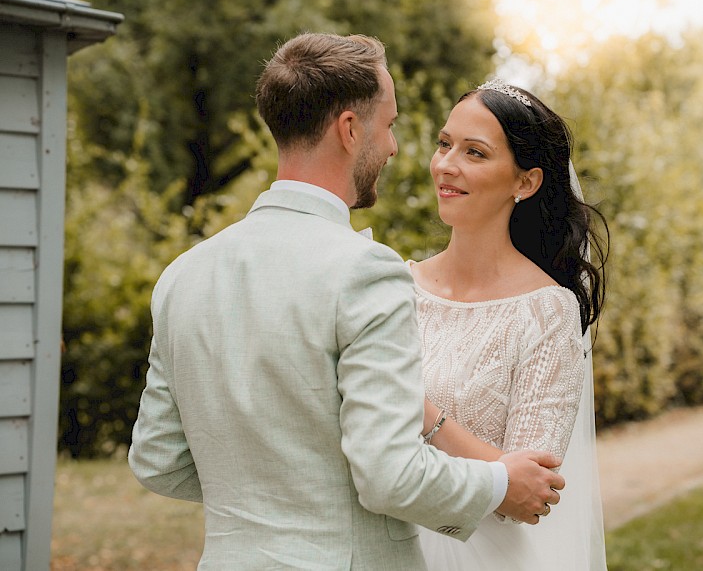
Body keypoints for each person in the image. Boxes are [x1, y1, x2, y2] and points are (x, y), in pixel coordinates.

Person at [127, 33, 567, 571]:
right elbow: (389, 478)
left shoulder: (183, 274)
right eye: (388, 125)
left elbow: (158, 460)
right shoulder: (366, 270)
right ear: (350, 129)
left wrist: (271, 489)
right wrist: (499, 482)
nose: (394, 147)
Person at [409, 80, 610, 570]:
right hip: (377, 542)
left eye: (474, 152)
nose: (446, 164)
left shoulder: (547, 313)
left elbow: (527, 495)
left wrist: (417, 409)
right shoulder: (395, 285)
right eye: (444, 143)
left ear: (525, 182)